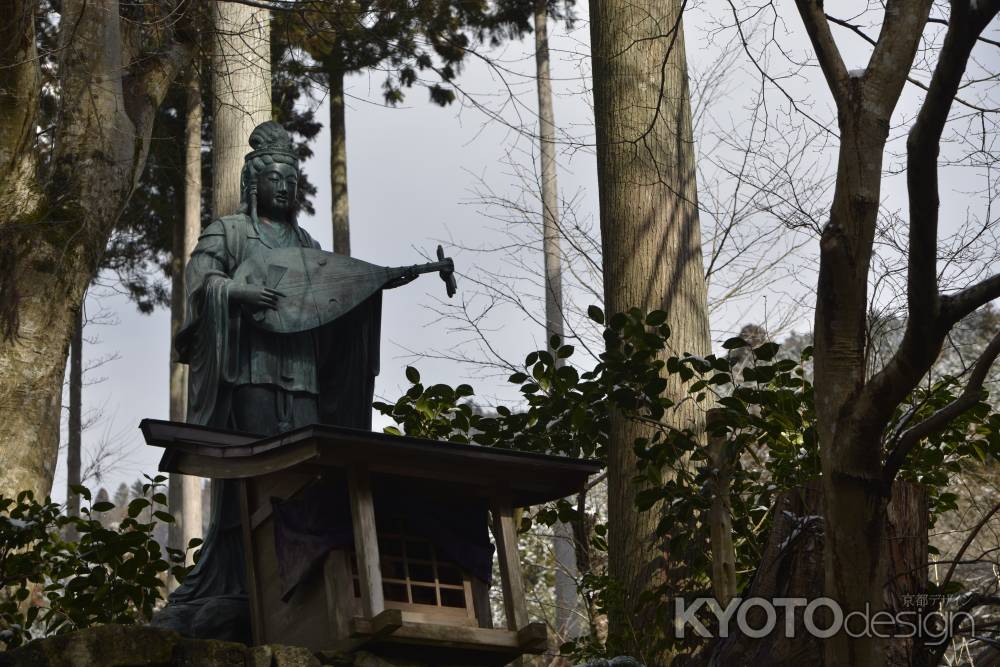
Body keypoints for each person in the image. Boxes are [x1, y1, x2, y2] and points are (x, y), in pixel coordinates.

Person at [153, 121, 382, 642]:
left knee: (303, 479)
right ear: (253, 183)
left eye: (292, 180)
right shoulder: (229, 233)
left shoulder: (306, 243)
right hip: (250, 373)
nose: (284, 187)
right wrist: (236, 294)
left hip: (301, 378)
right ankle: (235, 582)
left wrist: (374, 286)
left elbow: (330, 297)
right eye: (275, 177)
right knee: (255, 477)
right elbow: (200, 282)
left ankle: (297, 585)